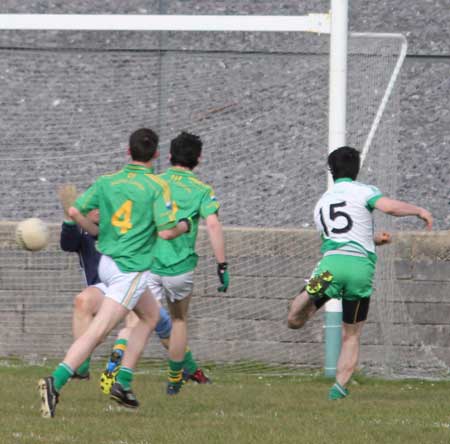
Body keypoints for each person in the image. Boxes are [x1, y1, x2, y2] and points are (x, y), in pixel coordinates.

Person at [39, 128, 191, 418]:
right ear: (156, 155)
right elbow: (167, 231)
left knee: (150, 316)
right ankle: (54, 383)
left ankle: (123, 383)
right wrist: (185, 225)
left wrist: (94, 228)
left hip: (107, 263)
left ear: (128, 152)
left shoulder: (107, 181)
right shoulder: (158, 186)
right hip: (130, 270)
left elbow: (75, 211)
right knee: (98, 332)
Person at [287, 146, 432, 400]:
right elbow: (389, 207)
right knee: (351, 333)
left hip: (330, 266)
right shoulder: (365, 191)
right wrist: (418, 211)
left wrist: (373, 239)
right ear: (357, 168)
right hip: (360, 268)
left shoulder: (322, 202)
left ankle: (306, 297)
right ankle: (339, 388)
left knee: (295, 319)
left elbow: (337, 237)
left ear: (331, 172)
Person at [57, 185, 211, 386]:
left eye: (101, 206)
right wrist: (70, 218)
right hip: (102, 291)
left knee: (162, 325)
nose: (97, 210)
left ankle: (190, 369)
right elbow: (66, 244)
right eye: (93, 207)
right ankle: (81, 368)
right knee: (82, 301)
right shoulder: (82, 232)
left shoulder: (120, 229)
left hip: (132, 286)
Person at [145, 131, 228, 395]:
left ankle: (118, 373)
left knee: (144, 320)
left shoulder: (154, 182)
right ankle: (174, 378)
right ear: (199, 159)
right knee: (179, 321)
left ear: (169, 156)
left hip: (148, 264)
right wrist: (222, 265)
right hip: (180, 268)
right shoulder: (203, 190)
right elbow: (213, 225)